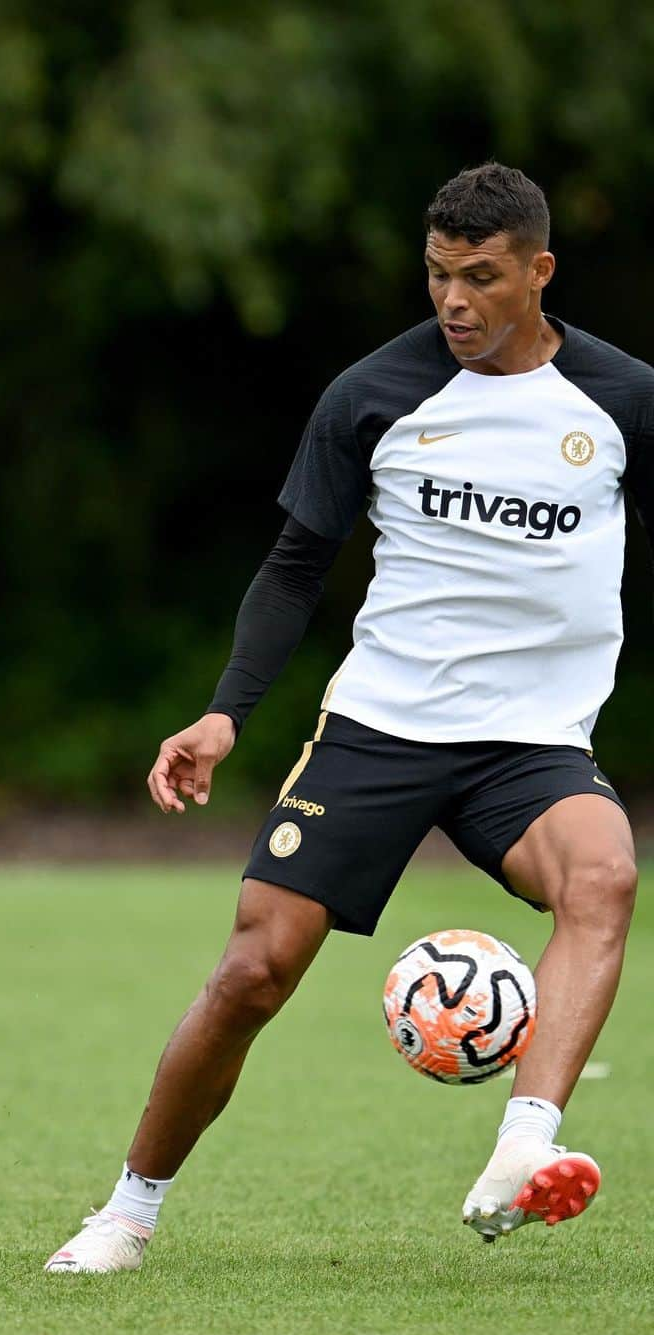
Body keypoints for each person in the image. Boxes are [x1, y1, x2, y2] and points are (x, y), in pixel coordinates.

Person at [46, 162, 650, 1273]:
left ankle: (524, 1146)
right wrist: (227, 713)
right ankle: (127, 1211)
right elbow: (291, 570)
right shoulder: (374, 394)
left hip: (533, 742)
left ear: (540, 271)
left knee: (604, 876)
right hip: (382, 727)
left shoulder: (622, 401)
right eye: (437, 276)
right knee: (253, 971)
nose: (455, 301)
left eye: (482, 277)